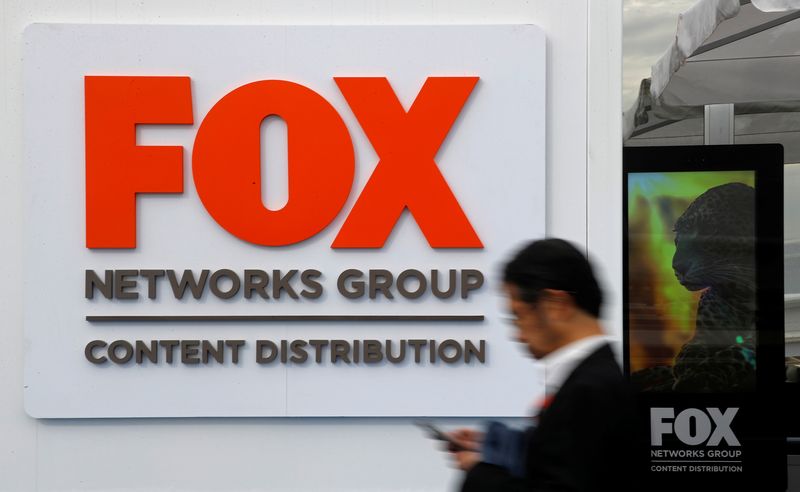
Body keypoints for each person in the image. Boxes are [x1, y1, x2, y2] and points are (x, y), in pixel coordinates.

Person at [449, 238, 641, 491]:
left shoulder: (590, 391)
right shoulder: (595, 381)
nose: (516, 334)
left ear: (555, 305)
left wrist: (479, 473)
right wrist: (497, 448)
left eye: (517, 315)